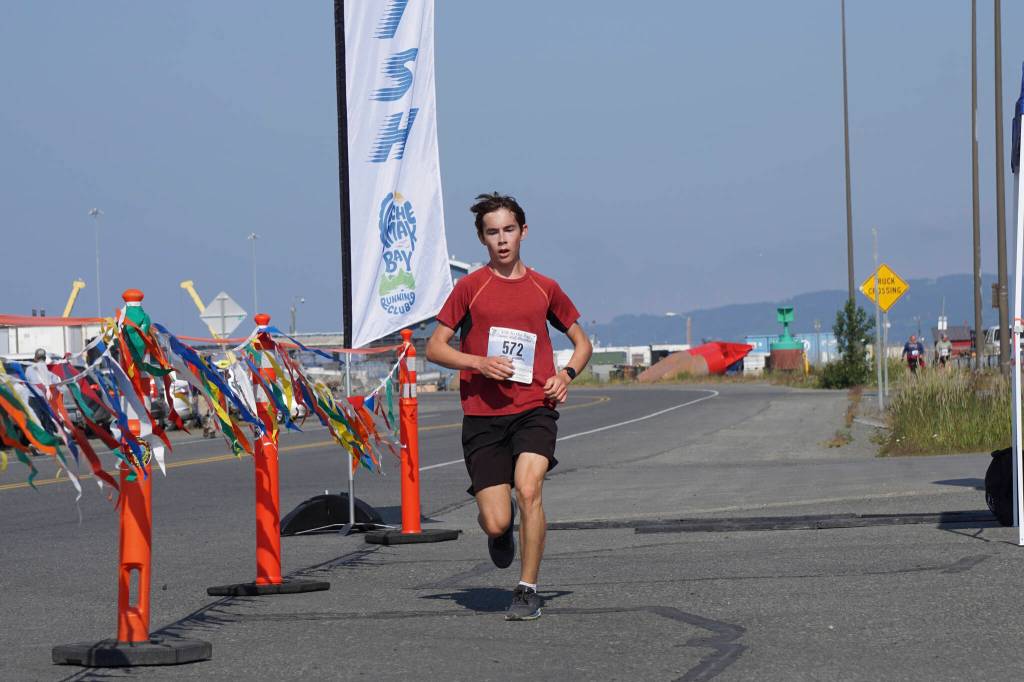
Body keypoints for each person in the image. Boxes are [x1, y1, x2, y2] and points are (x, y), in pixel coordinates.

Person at [426, 192, 592, 621]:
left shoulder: (545, 287)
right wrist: (478, 362)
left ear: (523, 232)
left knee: (530, 489)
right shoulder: (469, 287)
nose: (502, 240)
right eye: (492, 232)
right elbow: (435, 348)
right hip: (483, 415)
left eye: (509, 230)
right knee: (498, 521)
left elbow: (582, 342)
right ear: (482, 239)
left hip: (534, 408)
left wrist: (566, 375)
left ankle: (526, 588)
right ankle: (500, 536)